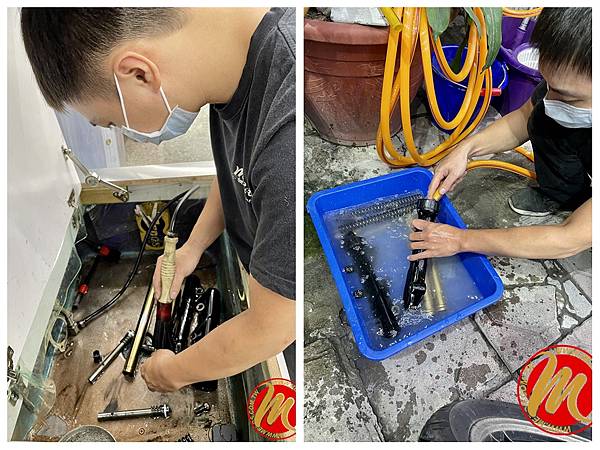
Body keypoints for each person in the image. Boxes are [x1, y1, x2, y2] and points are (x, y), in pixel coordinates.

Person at [21, 7, 296, 391]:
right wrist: (192, 248)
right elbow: (237, 171)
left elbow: (272, 327)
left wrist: (174, 372)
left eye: (112, 122)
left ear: (139, 73)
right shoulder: (235, 73)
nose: (123, 132)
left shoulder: (286, 134)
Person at [410, 7, 591, 262]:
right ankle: (565, 194)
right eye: (549, 84)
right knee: (542, 117)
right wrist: (465, 150)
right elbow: (523, 118)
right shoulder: (563, 90)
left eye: (568, 97)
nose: (550, 99)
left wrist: (461, 240)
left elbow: (568, 240)